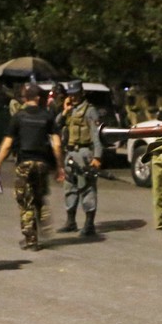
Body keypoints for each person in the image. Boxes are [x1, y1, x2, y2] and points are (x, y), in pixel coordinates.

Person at [0, 82, 65, 250]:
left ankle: (31, 238)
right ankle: (43, 217)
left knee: (25, 201)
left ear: (24, 98)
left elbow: (7, 144)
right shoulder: (48, 116)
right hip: (42, 164)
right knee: (39, 196)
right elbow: (57, 145)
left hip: (24, 163)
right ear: (38, 98)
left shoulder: (19, 117)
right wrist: (60, 167)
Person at [56, 80, 102, 236]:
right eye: (70, 95)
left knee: (86, 188)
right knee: (70, 187)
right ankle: (71, 221)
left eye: (75, 94)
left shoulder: (90, 111)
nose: (73, 98)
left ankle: (89, 224)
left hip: (84, 153)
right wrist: (65, 110)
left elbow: (96, 135)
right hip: (70, 153)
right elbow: (56, 124)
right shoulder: (70, 110)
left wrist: (97, 156)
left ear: (81, 93)